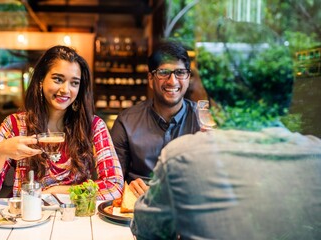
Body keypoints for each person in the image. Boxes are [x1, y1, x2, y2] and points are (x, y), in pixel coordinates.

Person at [131, 73, 321, 238]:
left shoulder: (180, 156)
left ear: (215, 103)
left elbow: (147, 232)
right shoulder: (316, 155)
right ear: (286, 102)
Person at [0, 45, 124, 200]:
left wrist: (59, 191)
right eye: (58, 79)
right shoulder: (15, 125)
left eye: (74, 83)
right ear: (40, 81)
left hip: (74, 217)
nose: (66, 89)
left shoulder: (92, 126)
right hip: (26, 218)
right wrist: (0, 152)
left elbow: (114, 186)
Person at [110, 40, 200, 197]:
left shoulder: (203, 121)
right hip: (137, 208)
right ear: (151, 79)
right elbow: (112, 182)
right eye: (163, 72)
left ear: (188, 78)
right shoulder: (126, 122)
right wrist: (126, 188)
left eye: (180, 72)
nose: (172, 81)